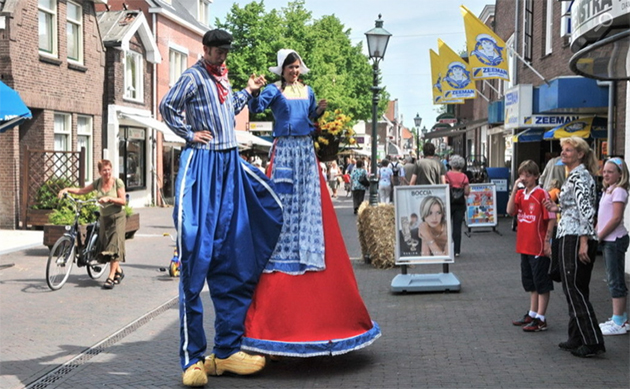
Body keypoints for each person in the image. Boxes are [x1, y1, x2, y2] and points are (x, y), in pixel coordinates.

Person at [159, 29, 284, 387]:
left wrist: (248, 91)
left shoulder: (223, 78)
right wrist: (188, 134)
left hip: (231, 165)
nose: (221, 56)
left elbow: (227, 110)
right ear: (206, 49)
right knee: (195, 259)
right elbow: (167, 106)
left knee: (235, 256)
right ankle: (193, 358)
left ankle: (227, 350)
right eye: (216, 51)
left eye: (225, 51)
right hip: (203, 165)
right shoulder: (193, 76)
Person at [244, 48, 381, 357]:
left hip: (305, 150)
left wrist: (316, 113)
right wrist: (252, 93)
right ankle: (283, 247)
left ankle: (307, 241)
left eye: (297, 67)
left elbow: (307, 119)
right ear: (282, 69)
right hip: (284, 150)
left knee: (308, 200)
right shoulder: (273, 89)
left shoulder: (308, 90)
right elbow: (257, 108)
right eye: (290, 67)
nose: (294, 71)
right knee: (280, 203)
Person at [543, 136, 605, 358]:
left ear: (580, 154)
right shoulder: (572, 176)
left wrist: (584, 241)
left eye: (569, 150)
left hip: (575, 236)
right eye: (563, 150)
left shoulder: (581, 176)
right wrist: (556, 206)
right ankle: (577, 335)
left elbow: (587, 210)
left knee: (574, 288)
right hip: (567, 233)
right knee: (573, 287)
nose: (564, 153)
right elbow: (573, 207)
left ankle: (592, 340)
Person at [58, 159, 126, 290]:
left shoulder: (117, 182)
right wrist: (66, 189)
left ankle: (110, 277)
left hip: (117, 218)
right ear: (100, 172)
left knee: (114, 245)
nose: (107, 172)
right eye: (104, 170)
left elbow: (123, 201)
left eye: (108, 169)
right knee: (105, 246)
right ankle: (119, 272)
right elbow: (82, 191)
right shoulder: (98, 183)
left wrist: (109, 198)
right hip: (104, 218)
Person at [506, 160, 555, 332]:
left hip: (538, 245)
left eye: (528, 175)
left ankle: (541, 317)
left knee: (541, 282)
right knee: (530, 282)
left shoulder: (541, 194)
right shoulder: (520, 194)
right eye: (522, 175)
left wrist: (548, 241)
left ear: (536, 176)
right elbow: (510, 211)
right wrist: (514, 190)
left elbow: (551, 218)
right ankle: (532, 313)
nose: (524, 179)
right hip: (524, 245)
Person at [596, 157, 629, 335]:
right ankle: (620, 317)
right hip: (609, 240)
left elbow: (616, 218)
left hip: (614, 240)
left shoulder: (619, 191)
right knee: (612, 278)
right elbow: (603, 216)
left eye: (610, 171)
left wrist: (600, 236)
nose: (606, 174)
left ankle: (619, 321)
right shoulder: (609, 190)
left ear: (620, 174)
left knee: (615, 279)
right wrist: (596, 231)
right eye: (605, 171)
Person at [445, 155, 470, 257]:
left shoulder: (447, 175)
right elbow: (467, 192)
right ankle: (456, 250)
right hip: (460, 204)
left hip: (448, 202)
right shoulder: (464, 176)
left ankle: (445, 248)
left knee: (445, 225)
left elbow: (444, 187)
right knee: (457, 227)